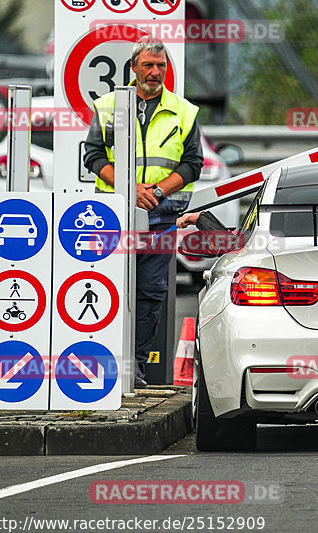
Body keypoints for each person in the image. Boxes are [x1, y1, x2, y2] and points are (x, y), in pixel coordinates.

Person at [83, 36, 204, 388]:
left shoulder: (185, 111)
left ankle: (132, 367)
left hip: (162, 216)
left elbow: (193, 164)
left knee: (151, 292)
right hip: (113, 215)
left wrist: (156, 191)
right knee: (110, 287)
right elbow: (93, 156)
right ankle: (100, 362)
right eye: (148, 65)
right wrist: (129, 190)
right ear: (133, 68)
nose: (155, 72)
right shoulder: (108, 106)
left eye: (161, 66)